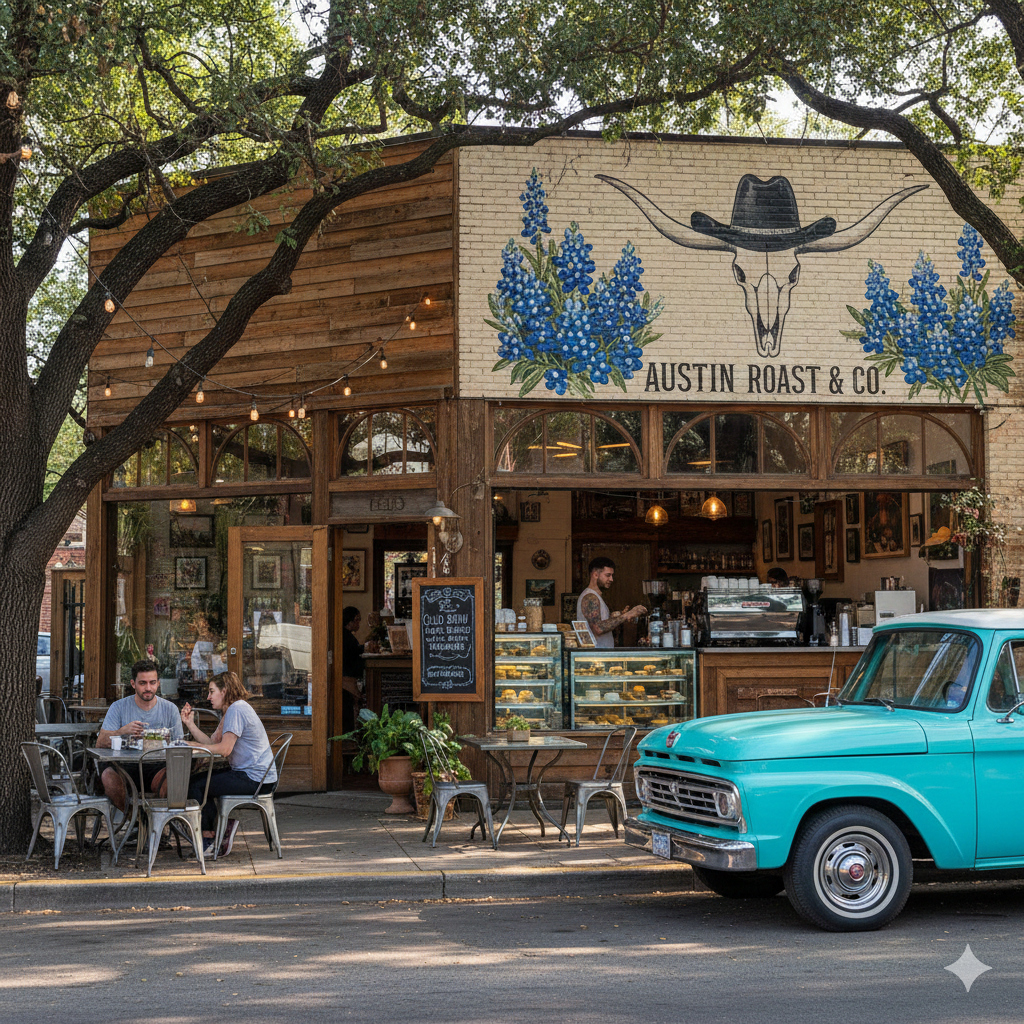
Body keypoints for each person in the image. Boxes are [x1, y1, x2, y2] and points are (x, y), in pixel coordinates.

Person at [181, 671, 277, 858]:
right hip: (253, 775)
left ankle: (210, 839)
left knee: (198, 784)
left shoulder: (237, 710)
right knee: (199, 779)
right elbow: (211, 743)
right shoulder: (232, 710)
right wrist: (190, 724)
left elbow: (224, 750)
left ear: (224, 691)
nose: (208, 697)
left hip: (256, 779)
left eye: (211, 691)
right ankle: (222, 828)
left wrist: (194, 745)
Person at [97, 658, 183, 812]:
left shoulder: (170, 709)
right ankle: (134, 820)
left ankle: (157, 822)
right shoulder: (118, 707)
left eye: (152, 682)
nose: (148, 688)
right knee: (108, 776)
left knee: (173, 777)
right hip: (123, 766)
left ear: (158, 683)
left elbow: (180, 745)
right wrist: (121, 732)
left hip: (157, 766)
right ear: (133, 684)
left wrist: (167, 741)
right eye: (142, 683)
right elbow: (100, 742)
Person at [576, 557, 646, 649]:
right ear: (595, 575)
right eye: (608, 575)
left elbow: (602, 621)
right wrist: (626, 615)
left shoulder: (595, 596)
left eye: (612, 575)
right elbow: (598, 628)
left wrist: (620, 615)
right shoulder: (590, 597)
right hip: (595, 657)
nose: (611, 579)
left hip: (599, 655)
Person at [340, 606, 365, 732]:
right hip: (347, 679)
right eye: (357, 620)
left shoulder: (346, 636)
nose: (358, 623)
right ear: (349, 621)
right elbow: (355, 651)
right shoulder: (345, 637)